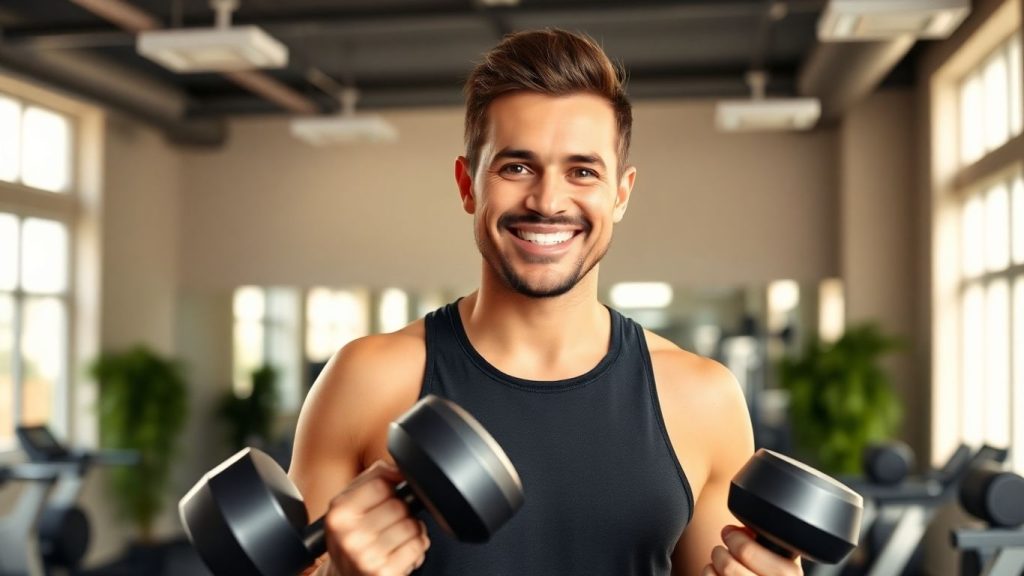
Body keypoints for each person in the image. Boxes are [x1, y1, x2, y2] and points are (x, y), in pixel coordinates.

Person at [290, 29, 803, 576]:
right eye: (516, 167)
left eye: (582, 172)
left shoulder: (702, 399)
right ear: (468, 185)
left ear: (621, 193)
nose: (548, 201)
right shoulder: (366, 380)